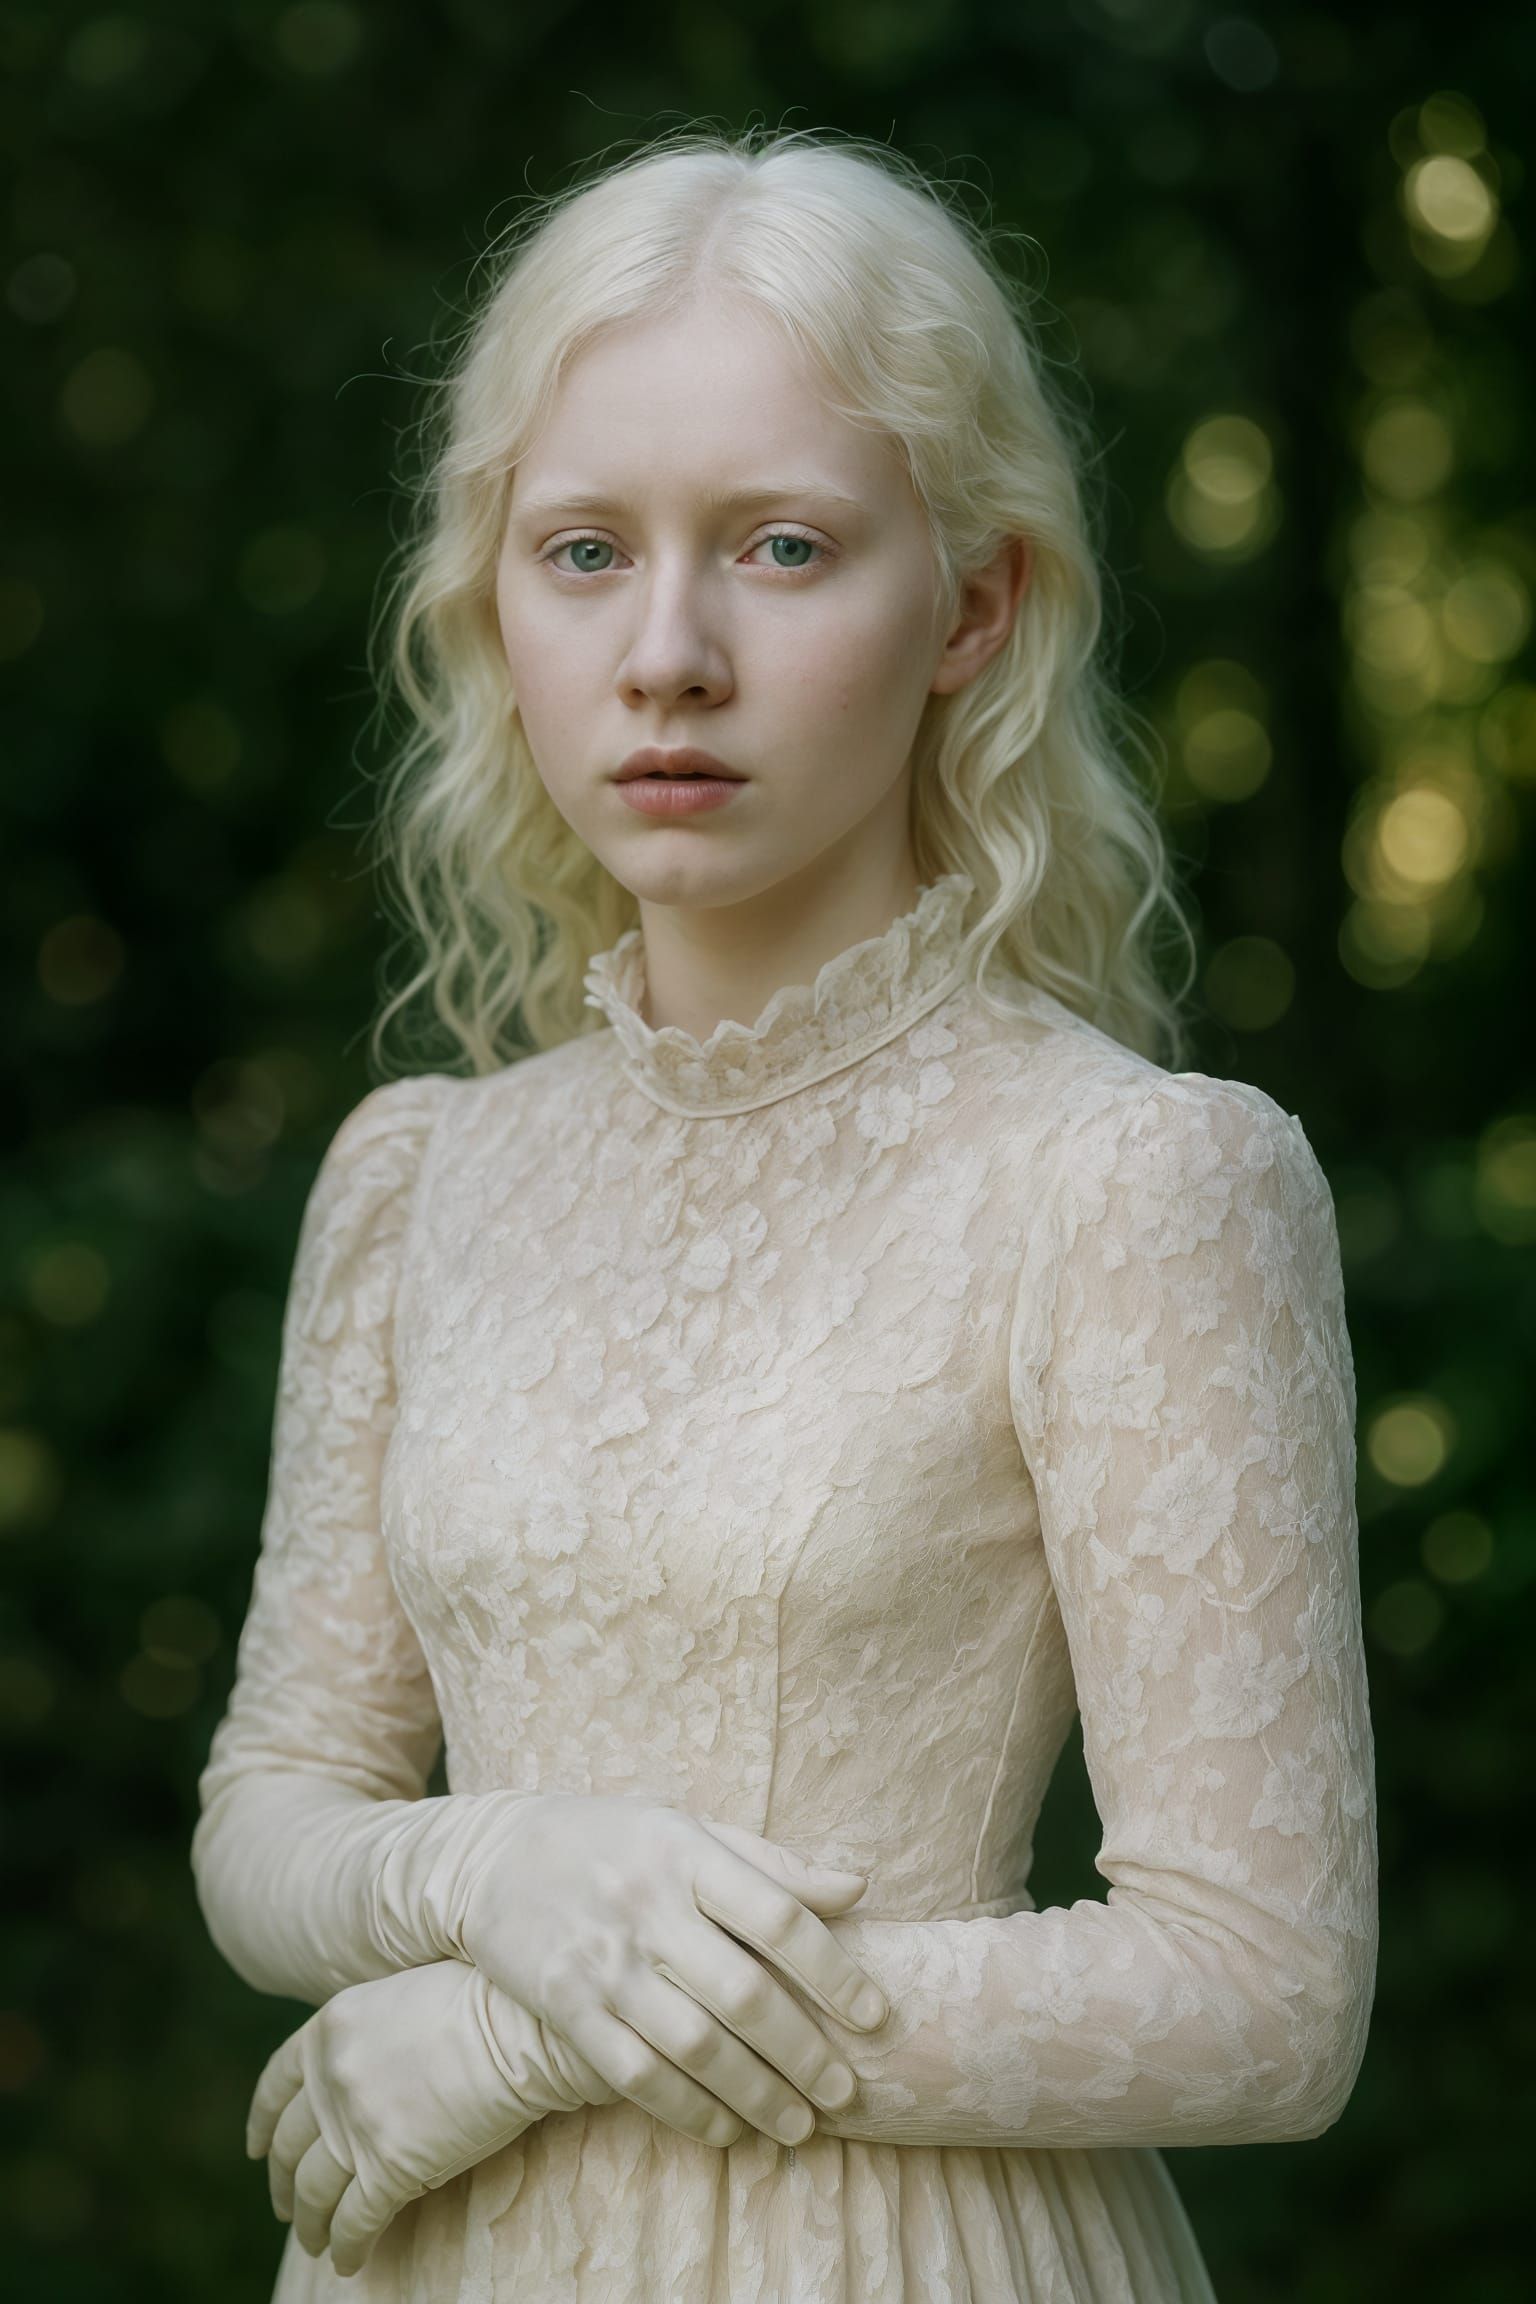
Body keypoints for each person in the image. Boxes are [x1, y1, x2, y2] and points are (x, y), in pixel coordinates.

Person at [190, 125, 1378, 2302]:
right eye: (579, 553)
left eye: (783, 547)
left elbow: (1263, 1995)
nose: (667, 653)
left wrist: (519, 2027)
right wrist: (508, 1868)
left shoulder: (1130, 1180)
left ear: (977, 604)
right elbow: (271, 1814)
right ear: (493, 609)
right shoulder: (421, 1179)